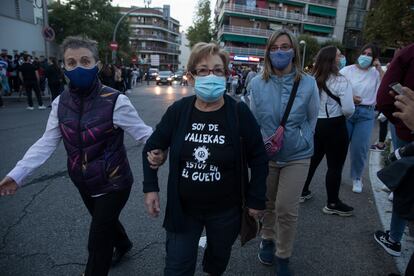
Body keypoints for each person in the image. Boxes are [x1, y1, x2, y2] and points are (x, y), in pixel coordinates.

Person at [0, 36, 154, 276]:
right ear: (64, 68)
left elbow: (146, 135)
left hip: (114, 183)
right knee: (105, 222)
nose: (78, 67)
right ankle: (123, 244)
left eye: (85, 61)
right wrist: (17, 174)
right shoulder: (60, 103)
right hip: (82, 181)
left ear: (98, 64)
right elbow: (46, 142)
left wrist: (168, 148)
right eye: (71, 63)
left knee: (98, 240)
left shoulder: (116, 101)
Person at [142, 42, 268, 276]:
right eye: (203, 70)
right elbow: (152, 146)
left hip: (226, 211)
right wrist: (150, 187)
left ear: (226, 75)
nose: (211, 75)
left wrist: (256, 198)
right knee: (176, 267)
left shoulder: (238, 112)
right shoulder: (179, 111)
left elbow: (259, 157)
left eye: (217, 70)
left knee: (217, 262)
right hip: (183, 210)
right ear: (191, 77)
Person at [249, 30, 319, 275]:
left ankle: (283, 255)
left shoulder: (308, 83)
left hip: (297, 156)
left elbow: (312, 119)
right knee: (268, 203)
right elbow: (253, 121)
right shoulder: (256, 83)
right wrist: (259, 144)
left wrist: (302, 139)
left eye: (285, 46)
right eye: (275, 47)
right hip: (266, 155)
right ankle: (267, 238)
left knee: (286, 208)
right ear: (268, 52)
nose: (280, 51)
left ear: (294, 51)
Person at [300, 46, 355, 216]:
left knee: (312, 160)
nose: (342, 57)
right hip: (335, 124)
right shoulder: (341, 81)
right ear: (333, 59)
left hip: (316, 123)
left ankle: (302, 191)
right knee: (335, 166)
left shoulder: (310, 79)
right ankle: (332, 202)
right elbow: (348, 109)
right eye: (339, 55)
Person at [374, 43, 414, 259]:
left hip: (407, 131)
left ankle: (394, 238)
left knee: (404, 183)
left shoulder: (409, 53)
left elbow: (383, 98)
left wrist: (398, 123)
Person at [340, 43, 382, 193]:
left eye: (370, 54)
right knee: (340, 146)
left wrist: (379, 68)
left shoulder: (376, 73)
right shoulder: (347, 70)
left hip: (366, 114)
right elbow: (336, 88)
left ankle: (357, 178)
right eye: (364, 53)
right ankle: (336, 174)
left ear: (375, 58)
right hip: (347, 112)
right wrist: (350, 97)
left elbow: (386, 86)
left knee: (360, 149)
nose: (365, 56)